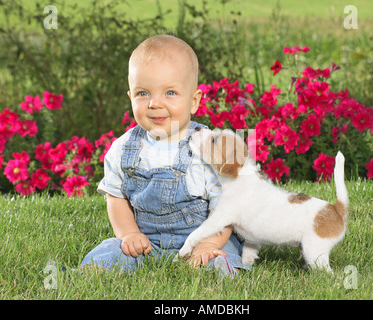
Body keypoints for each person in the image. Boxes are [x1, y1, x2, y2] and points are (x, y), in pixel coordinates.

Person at [80, 35, 250, 277]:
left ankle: (220, 267)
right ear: (130, 97)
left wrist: (208, 245)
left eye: (170, 92)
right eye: (143, 93)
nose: (154, 103)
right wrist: (129, 234)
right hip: (147, 242)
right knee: (111, 251)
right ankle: (92, 272)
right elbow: (116, 197)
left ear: (194, 101)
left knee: (221, 258)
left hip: (207, 236)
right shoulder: (123, 148)